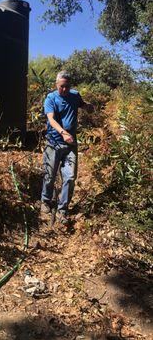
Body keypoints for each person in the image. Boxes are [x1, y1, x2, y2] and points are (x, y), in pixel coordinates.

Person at [40, 70, 94, 225]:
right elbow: (51, 119)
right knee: (50, 175)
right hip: (54, 143)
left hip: (71, 144)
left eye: (67, 86)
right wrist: (63, 133)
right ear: (56, 84)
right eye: (61, 86)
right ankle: (45, 201)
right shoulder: (51, 98)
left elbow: (83, 105)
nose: (64, 89)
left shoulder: (75, 95)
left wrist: (88, 107)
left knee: (69, 178)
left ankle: (62, 210)